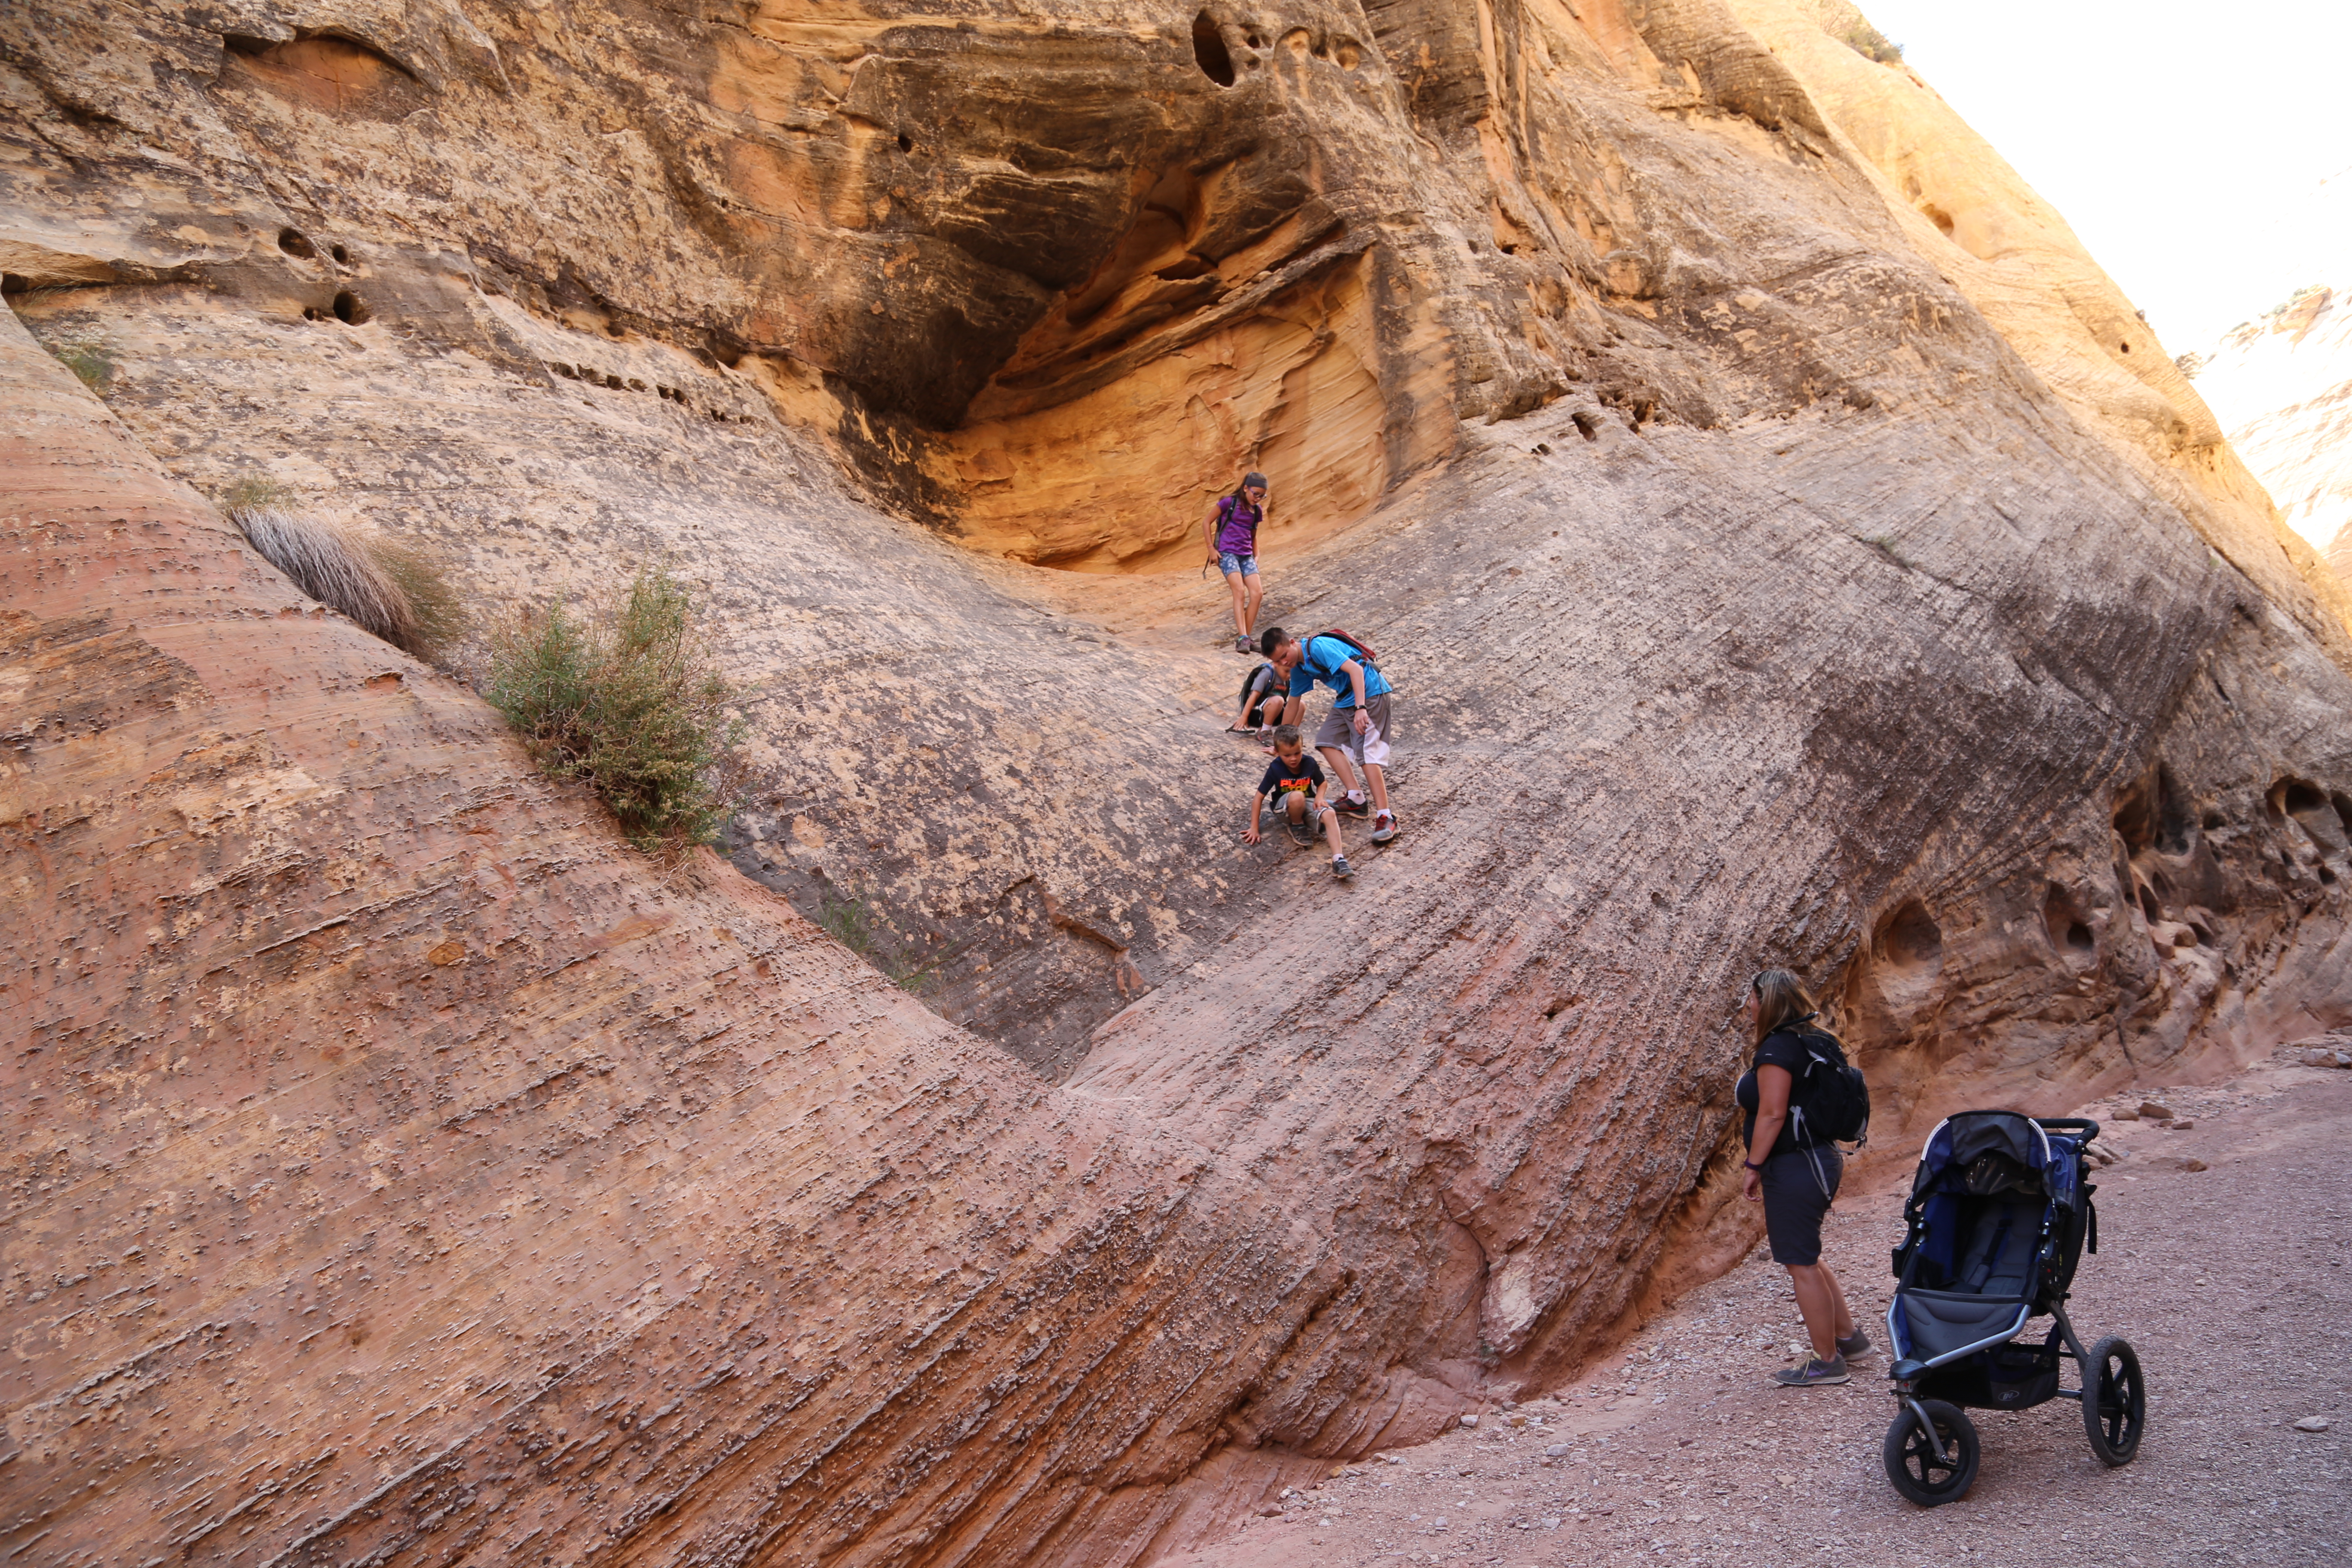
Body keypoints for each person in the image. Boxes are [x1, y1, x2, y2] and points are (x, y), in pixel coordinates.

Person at [1737, 968, 1871, 1387]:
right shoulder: (1815, 1041)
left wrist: (1753, 1166)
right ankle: (1850, 1340)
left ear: (1770, 1003)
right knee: (1806, 1256)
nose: (1748, 1006)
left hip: (1796, 1164)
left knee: (1800, 1262)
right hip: (1818, 1159)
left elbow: (1773, 1113)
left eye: (1754, 998)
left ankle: (1827, 1362)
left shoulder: (1778, 1049)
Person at [1261, 626, 1397, 844]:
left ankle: (1386, 816)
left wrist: (1361, 708)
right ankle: (1356, 799)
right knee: (1327, 741)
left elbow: (1356, 671)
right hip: (1346, 699)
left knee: (1366, 753)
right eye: (1279, 661)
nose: (1285, 663)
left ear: (1293, 643)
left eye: (1285, 655)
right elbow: (1293, 704)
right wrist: (1280, 745)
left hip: (1370, 693)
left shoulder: (1318, 648)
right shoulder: (1298, 667)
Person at [1241, 725, 1353, 879]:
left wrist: (1320, 797)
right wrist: (1254, 827)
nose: (1293, 759)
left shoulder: (1309, 763)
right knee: (1297, 796)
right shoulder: (1276, 768)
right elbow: (1259, 797)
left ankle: (1339, 860)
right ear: (1278, 753)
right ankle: (1297, 825)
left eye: (1297, 753)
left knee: (1330, 813)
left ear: (1302, 747)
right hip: (1285, 808)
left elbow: (1322, 783)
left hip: (1306, 803)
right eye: (1287, 755)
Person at [1202, 473, 1269, 653]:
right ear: (1246, 488)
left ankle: (1245, 638)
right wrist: (1211, 549)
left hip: (1246, 556)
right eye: (1256, 494)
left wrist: (1257, 554)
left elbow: (1253, 536)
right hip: (1227, 553)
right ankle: (1243, 637)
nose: (1258, 498)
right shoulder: (1229, 503)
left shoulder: (1257, 511)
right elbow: (1207, 522)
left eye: (1262, 496)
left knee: (1257, 593)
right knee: (1239, 590)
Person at [1228, 658, 1286, 734]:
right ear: (1276, 664)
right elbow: (1254, 696)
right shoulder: (1267, 673)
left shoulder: (1287, 680)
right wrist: (1244, 717)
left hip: (1274, 714)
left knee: (1300, 705)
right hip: (1257, 714)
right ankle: (1265, 731)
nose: (1289, 675)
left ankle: (1288, 734)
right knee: (1278, 700)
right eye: (1287, 671)